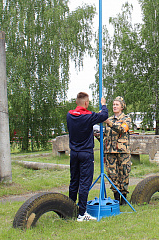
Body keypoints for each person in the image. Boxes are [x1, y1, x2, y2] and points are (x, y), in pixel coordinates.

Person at [67, 92, 109, 222]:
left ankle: (69, 209)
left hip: (74, 153)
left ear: (76, 102)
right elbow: (104, 115)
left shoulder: (69, 115)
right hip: (86, 154)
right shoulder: (88, 116)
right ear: (86, 103)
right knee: (84, 183)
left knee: (74, 181)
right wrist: (104, 105)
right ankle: (81, 214)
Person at [103, 96, 132, 205]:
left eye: (117, 105)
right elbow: (106, 135)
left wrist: (108, 122)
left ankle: (123, 200)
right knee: (112, 175)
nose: (115, 106)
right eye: (113, 104)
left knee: (123, 174)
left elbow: (122, 129)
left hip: (123, 152)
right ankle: (116, 199)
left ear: (122, 107)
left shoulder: (126, 119)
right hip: (110, 152)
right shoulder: (109, 119)